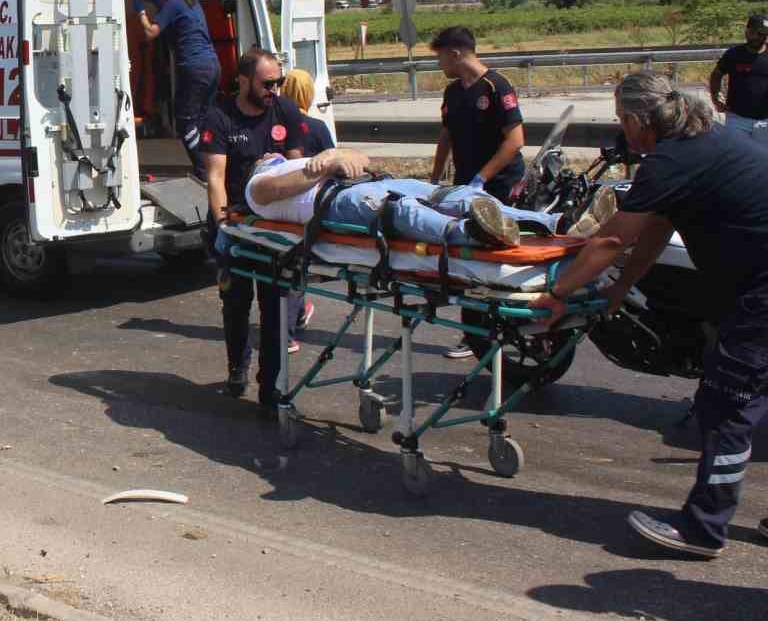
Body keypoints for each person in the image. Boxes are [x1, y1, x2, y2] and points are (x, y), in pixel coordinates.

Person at [528, 71, 768, 558]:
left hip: (760, 293)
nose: (621, 129)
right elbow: (656, 227)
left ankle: (704, 529)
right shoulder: (707, 140)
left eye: (621, 119)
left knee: (728, 403)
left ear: (639, 119)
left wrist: (558, 292)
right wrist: (621, 288)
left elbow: (613, 238)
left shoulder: (672, 159)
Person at [200, 50, 305, 408]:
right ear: (243, 81)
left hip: (275, 229)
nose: (274, 89)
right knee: (236, 304)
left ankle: (269, 385)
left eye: (279, 81)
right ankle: (237, 367)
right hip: (237, 224)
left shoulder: (285, 111)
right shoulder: (220, 117)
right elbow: (215, 179)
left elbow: (299, 170)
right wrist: (224, 226)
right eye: (267, 83)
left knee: (275, 310)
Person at [243, 148, 616, 248]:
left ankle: (559, 224)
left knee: (452, 193)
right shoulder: (258, 186)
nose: (269, 154)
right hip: (333, 201)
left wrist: (341, 156)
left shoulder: (306, 160)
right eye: (266, 156)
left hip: (363, 181)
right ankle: (473, 234)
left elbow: (360, 159)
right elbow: (278, 190)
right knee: (400, 210)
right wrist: (327, 165)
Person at [429, 25, 526, 358]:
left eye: (441, 56)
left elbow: (515, 141)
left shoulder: (497, 86)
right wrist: (435, 179)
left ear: (456, 53)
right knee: (468, 257)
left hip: (498, 185)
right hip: (466, 186)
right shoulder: (453, 92)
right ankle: (475, 332)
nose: (439, 64)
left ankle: (497, 328)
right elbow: (446, 136)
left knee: (494, 258)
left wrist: (482, 179)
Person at [135, 0, 222, 181]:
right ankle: (215, 166)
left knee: (184, 121)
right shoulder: (191, 2)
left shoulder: (173, 4)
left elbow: (150, 32)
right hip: (212, 66)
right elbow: (172, 15)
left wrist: (140, 10)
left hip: (195, 68)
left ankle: (204, 171)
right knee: (202, 119)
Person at [278, 69, 336, 350]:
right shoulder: (317, 127)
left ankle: (297, 315)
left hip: (282, 204)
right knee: (296, 266)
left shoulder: (277, 123)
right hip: (311, 206)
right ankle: (289, 331)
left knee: (287, 264)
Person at [709, 12, 768, 148]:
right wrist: (716, 98)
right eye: (757, 33)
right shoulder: (733, 54)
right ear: (747, 31)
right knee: (736, 158)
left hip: (766, 121)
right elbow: (716, 75)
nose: (760, 38)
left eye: (764, 35)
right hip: (737, 119)